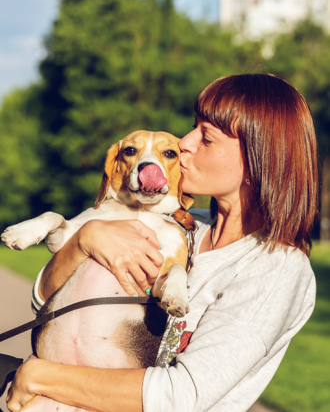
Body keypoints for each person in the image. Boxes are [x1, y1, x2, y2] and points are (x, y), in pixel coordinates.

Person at [7, 74, 318, 412]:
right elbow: (44, 306)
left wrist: (42, 377)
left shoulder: (275, 267)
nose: (185, 142)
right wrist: (85, 239)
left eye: (207, 137)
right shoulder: (182, 225)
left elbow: (182, 396)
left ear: (257, 160)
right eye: (193, 126)